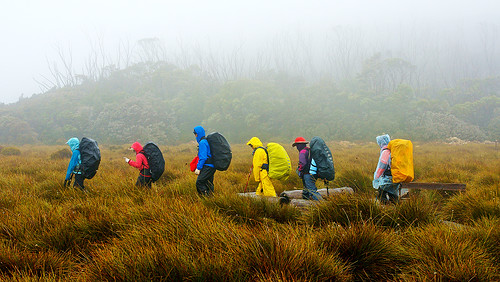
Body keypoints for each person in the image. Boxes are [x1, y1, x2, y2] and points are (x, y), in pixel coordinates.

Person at [373, 134, 399, 204]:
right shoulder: (393, 150)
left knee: (381, 195)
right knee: (393, 197)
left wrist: (376, 178)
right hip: (396, 177)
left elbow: (381, 167)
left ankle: (385, 210)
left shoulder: (385, 152)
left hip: (388, 179)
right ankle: (398, 211)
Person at [193, 126, 216, 196]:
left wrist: (198, 168)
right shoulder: (206, 141)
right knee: (208, 183)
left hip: (207, 166)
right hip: (212, 166)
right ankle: (212, 198)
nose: (195, 135)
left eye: (195, 133)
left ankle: (205, 198)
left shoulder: (202, 142)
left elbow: (203, 157)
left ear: (198, 133)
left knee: (199, 182)